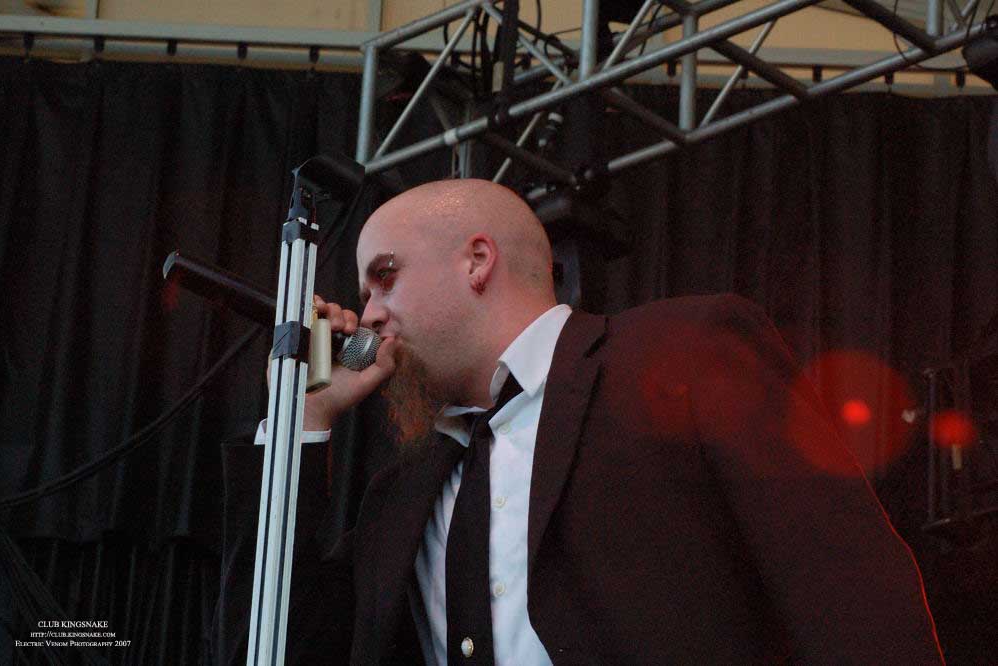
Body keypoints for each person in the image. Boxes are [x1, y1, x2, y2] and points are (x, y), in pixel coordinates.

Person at [212, 179, 943, 664]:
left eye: (385, 276)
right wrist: (300, 419)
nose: (368, 314)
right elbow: (270, 647)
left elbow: (850, 597)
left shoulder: (679, 354)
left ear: (477, 260)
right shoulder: (400, 496)